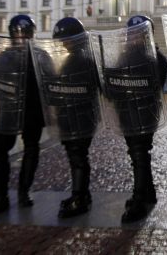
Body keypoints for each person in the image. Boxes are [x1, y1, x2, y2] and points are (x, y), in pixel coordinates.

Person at [109, 15, 167, 223]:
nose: (133, 37)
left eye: (138, 33)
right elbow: (114, 83)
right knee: (138, 155)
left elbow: (155, 86)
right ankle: (148, 193)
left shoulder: (155, 58)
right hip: (127, 114)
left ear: (147, 35)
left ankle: (139, 199)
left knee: (139, 154)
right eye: (131, 33)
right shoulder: (125, 57)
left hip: (143, 114)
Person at [0, 15, 45, 214]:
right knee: (3, 151)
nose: (22, 38)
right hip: (13, 111)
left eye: (25, 34)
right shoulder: (37, 56)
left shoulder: (38, 56)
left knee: (28, 150)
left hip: (30, 111)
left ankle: (19, 193)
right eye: (20, 34)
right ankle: (4, 196)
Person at [47, 17, 100, 218]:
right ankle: (81, 195)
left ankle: (80, 197)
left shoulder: (82, 59)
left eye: (67, 39)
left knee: (78, 157)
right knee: (75, 157)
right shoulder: (78, 57)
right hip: (72, 116)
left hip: (79, 116)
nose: (63, 43)